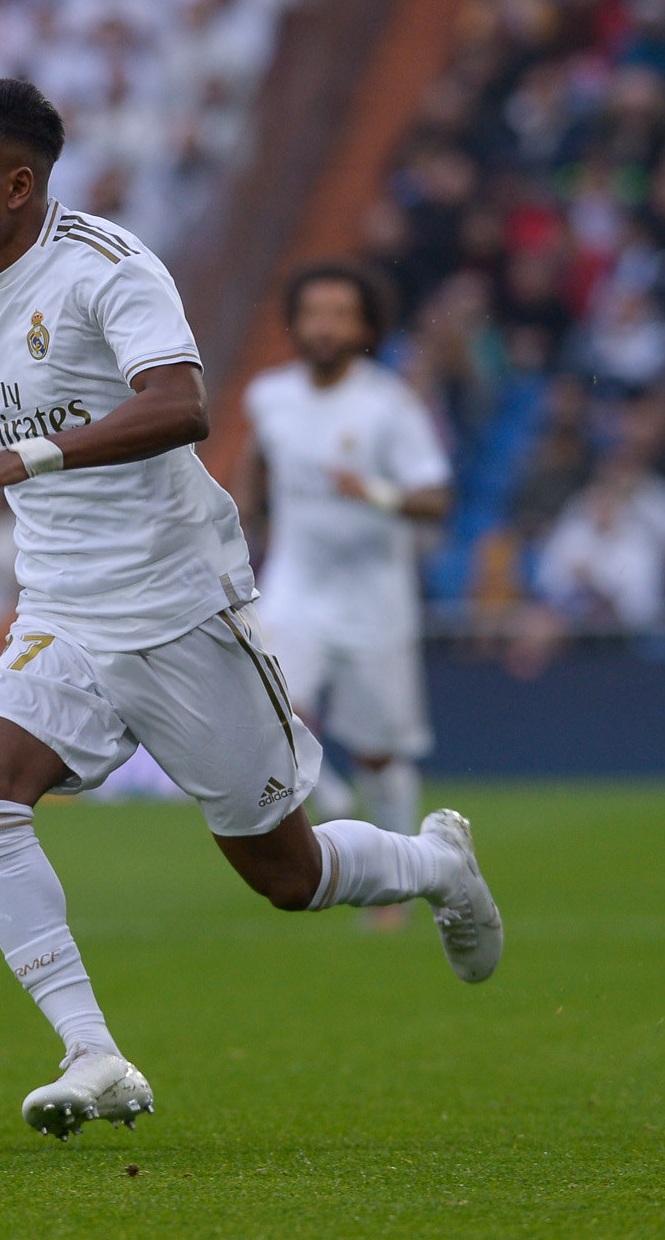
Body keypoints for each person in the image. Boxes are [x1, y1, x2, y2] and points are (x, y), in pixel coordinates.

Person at [0, 80, 502, 1142]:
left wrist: (31, 452)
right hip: (63, 604)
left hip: (178, 602)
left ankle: (438, 864)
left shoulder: (107, 269)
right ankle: (94, 1053)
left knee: (285, 874)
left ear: (17, 185)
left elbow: (180, 405)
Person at [238, 266, 453, 897]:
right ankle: (335, 812)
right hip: (295, 586)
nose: (325, 325)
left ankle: (399, 883)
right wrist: (245, 512)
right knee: (265, 705)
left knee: (380, 753)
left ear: (364, 326)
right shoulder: (269, 394)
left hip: (374, 598)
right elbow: (258, 456)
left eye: (340, 313)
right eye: (313, 312)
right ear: (295, 322)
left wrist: (376, 493)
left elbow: (435, 498)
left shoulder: (389, 405)